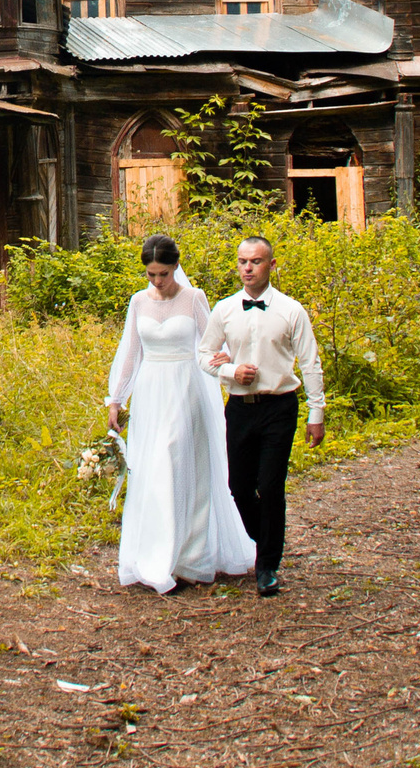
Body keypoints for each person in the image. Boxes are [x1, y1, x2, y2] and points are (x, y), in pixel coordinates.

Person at [102, 235, 258, 593]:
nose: (157, 281)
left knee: (181, 462)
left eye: (164, 273)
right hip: (151, 392)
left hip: (186, 389)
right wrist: (116, 399)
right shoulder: (138, 302)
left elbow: (212, 341)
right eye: (151, 274)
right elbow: (131, 352)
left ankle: (190, 556)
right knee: (154, 469)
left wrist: (227, 361)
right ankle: (156, 554)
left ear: (176, 267)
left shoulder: (193, 298)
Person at [200, 234, 325, 597]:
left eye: (255, 262)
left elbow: (310, 362)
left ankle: (267, 564)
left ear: (271, 266)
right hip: (239, 408)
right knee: (238, 486)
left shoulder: (291, 310)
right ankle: (265, 536)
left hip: (279, 406)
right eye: (242, 262)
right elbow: (203, 354)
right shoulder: (223, 310)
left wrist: (316, 412)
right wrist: (229, 372)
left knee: (270, 485)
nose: (248, 268)